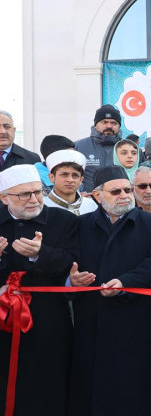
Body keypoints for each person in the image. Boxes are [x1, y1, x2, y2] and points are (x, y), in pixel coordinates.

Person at [69, 165, 151, 416]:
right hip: (93, 318)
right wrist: (72, 278)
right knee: (93, 383)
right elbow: (70, 260)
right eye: (116, 191)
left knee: (134, 385)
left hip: (136, 319)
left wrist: (125, 283)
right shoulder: (80, 225)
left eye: (127, 189)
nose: (124, 195)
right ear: (97, 195)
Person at [0, 165, 79, 415]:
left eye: (38, 192)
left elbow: (71, 260)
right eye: (24, 194)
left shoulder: (63, 220)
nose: (34, 200)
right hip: (2, 317)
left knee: (49, 377)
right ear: (4, 198)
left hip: (48, 317)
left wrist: (39, 255)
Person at [74, 104, 123, 191]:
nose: (109, 126)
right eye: (104, 122)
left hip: (120, 200)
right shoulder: (78, 147)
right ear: (96, 124)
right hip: (88, 201)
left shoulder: (130, 149)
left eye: (113, 123)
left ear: (119, 126)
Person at [43, 149, 98, 215]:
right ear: (52, 177)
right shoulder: (42, 206)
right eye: (64, 175)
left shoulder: (90, 205)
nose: (70, 180)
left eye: (75, 175)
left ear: (81, 179)